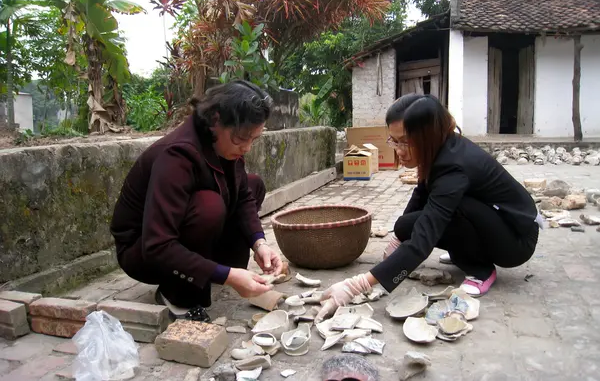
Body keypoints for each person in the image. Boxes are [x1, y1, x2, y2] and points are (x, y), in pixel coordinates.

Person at [316, 94, 541, 321]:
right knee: (406, 225)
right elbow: (421, 194)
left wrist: (355, 285)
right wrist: (398, 239)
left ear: (427, 137)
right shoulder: (440, 148)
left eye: (405, 141)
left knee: (450, 210)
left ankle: (481, 269)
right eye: (394, 141)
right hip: (489, 220)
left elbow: (424, 238)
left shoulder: (454, 166)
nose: (399, 151)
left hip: (515, 240)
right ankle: (464, 250)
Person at [110, 80, 284, 322]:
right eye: (241, 139)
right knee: (208, 206)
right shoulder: (176, 155)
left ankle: (215, 270)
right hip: (143, 251)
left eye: (253, 139)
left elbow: (243, 194)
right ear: (215, 120)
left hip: (178, 236)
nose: (246, 148)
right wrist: (229, 276)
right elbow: (157, 244)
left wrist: (259, 244)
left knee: (252, 183)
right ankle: (176, 294)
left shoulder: (223, 143)